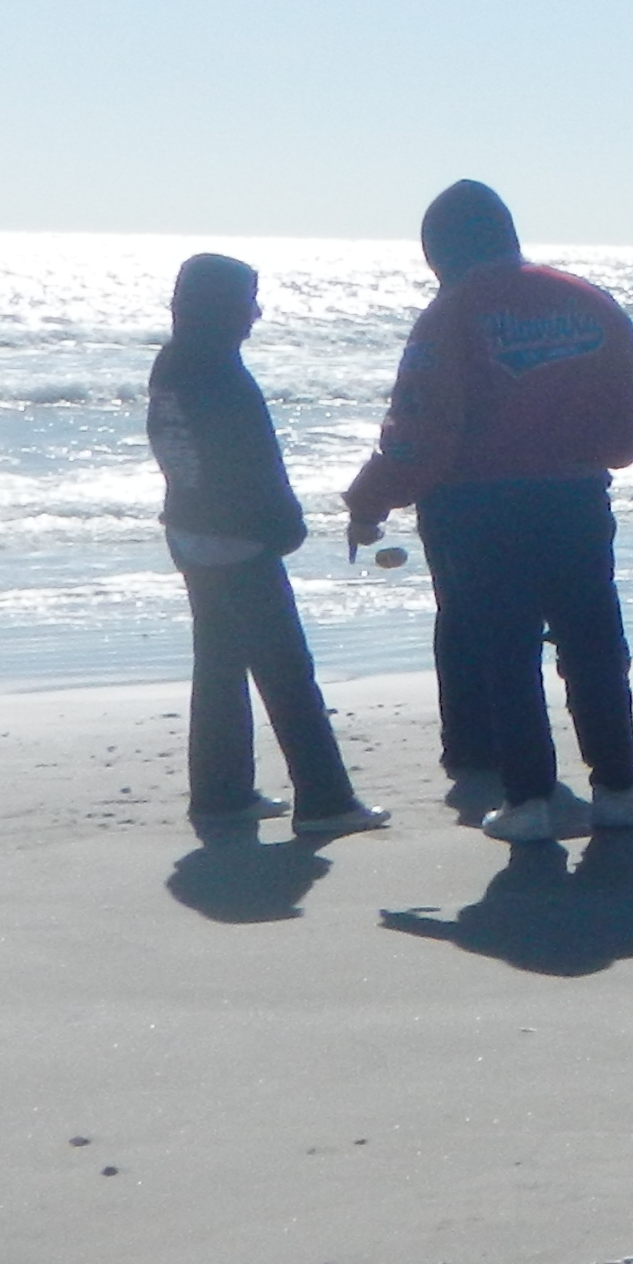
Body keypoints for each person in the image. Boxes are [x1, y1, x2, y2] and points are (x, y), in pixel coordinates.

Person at [343, 182, 633, 845]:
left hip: (477, 506)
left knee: (506, 647)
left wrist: (369, 499)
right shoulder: (587, 301)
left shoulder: (449, 315)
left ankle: (529, 799)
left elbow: (419, 427)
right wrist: (594, 455)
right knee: (592, 641)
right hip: (575, 497)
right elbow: (628, 410)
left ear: (440, 252)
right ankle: (619, 785)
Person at [149, 253, 385, 839]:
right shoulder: (220, 374)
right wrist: (284, 526)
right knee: (286, 671)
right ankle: (326, 801)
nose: (255, 313)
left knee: (221, 665)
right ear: (221, 308)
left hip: (189, 529)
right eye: (246, 301)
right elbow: (253, 464)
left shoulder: (174, 362)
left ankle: (220, 793)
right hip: (236, 540)